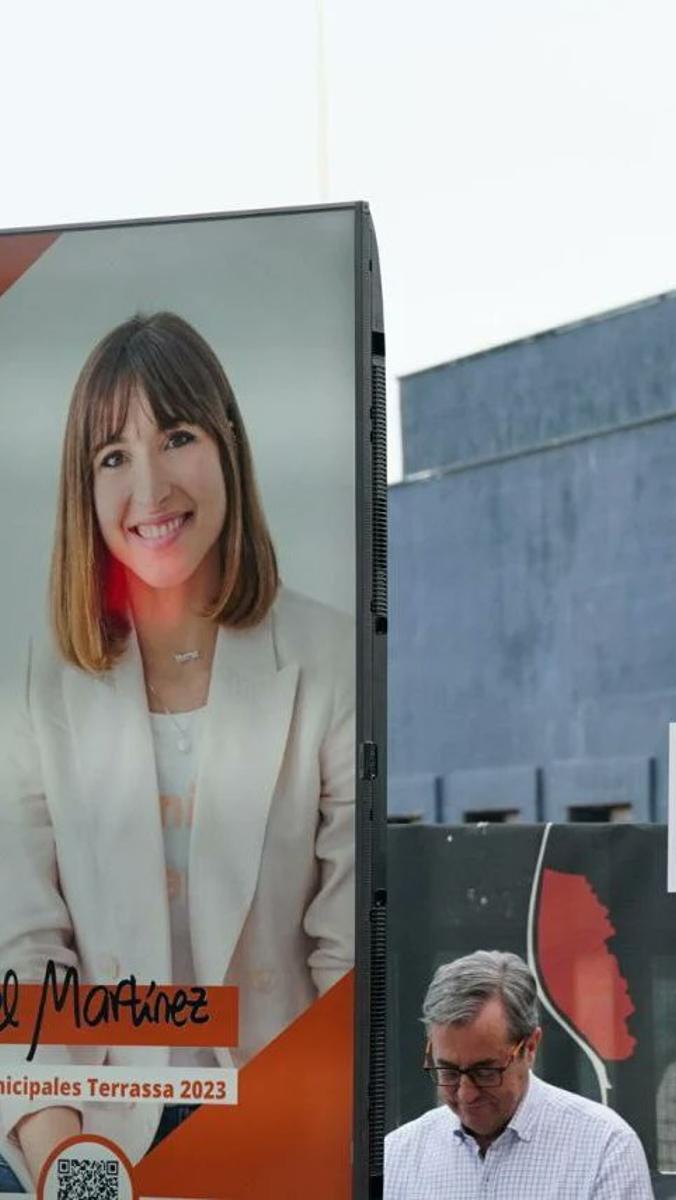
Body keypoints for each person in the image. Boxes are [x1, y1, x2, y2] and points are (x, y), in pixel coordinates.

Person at [0, 312, 355, 1187]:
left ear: (227, 443)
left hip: (286, 1118)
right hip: (93, 1127)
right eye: (112, 456)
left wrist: (284, 1148)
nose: (150, 486)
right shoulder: (44, 679)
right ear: (83, 490)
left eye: (178, 435)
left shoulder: (331, 656)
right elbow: (26, 950)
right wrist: (66, 1163)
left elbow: (346, 954)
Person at [384, 949, 654, 1200]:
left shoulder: (604, 1146)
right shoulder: (399, 1155)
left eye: (485, 1071)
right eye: (449, 1071)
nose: (466, 1093)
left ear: (531, 1046)